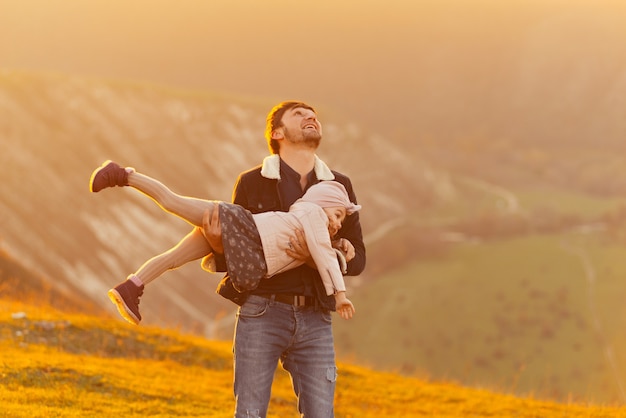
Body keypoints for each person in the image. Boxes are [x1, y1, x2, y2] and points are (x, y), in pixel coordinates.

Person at [202, 101, 366, 418]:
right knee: (249, 413)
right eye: (299, 114)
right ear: (277, 133)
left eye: (314, 114)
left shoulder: (339, 185)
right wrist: (215, 242)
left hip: (316, 316)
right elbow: (235, 259)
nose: (311, 116)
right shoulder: (251, 182)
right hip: (261, 310)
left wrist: (337, 251)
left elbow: (358, 260)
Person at [89, 161, 360, 325]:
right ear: (323, 204)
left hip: (239, 238)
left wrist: (342, 245)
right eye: (337, 215)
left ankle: (131, 287)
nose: (337, 223)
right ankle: (121, 174)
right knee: (172, 202)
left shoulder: (313, 221)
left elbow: (326, 250)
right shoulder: (312, 214)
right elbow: (324, 256)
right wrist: (341, 296)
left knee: (174, 259)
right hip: (237, 224)